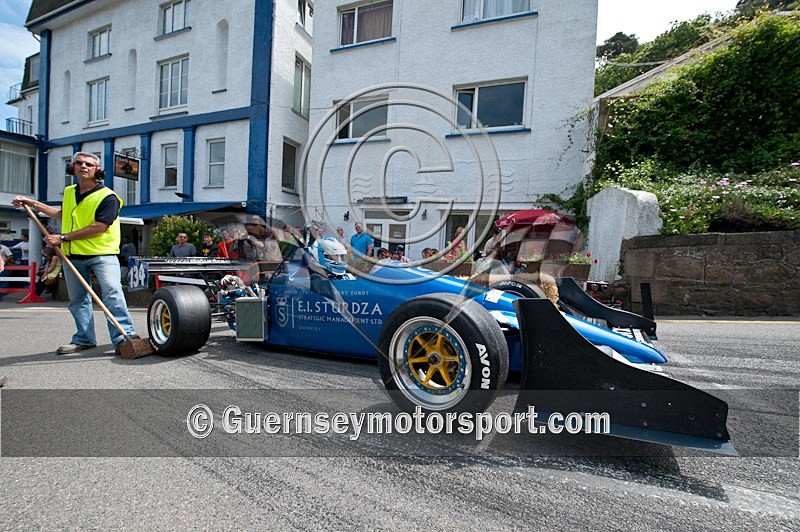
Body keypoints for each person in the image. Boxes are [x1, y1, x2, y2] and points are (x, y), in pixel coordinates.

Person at [13, 152, 138, 355]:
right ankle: (84, 339)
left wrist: (63, 238)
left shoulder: (108, 197)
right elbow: (62, 214)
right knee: (78, 300)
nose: (83, 166)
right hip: (73, 256)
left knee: (113, 293)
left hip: (102, 255)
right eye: (79, 163)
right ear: (72, 167)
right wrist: (32, 203)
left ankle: (124, 337)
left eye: (88, 164)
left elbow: (100, 226)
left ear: (97, 170)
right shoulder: (70, 192)